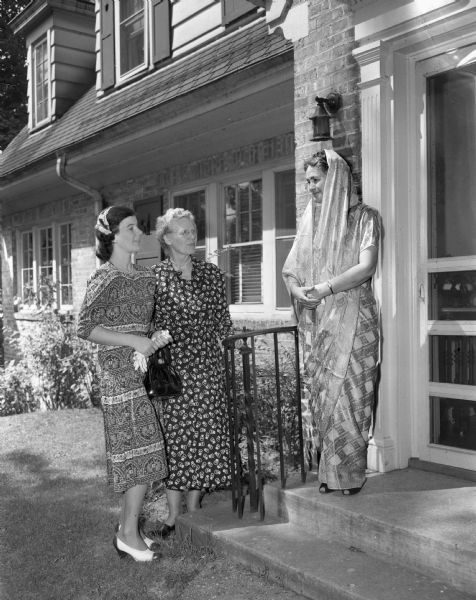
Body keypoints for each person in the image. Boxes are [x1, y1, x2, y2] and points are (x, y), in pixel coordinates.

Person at [282, 149, 380, 496]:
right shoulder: (312, 225)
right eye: (307, 180)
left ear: (336, 178)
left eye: (315, 180)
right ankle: (328, 472)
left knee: (351, 396)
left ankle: (349, 474)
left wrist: (324, 287)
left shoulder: (365, 218)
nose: (310, 187)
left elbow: (366, 266)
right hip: (320, 322)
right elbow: (292, 269)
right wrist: (298, 292)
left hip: (355, 320)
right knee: (325, 397)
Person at [77, 205, 169, 561]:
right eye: (130, 228)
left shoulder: (144, 276)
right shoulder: (104, 277)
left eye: (138, 227)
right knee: (141, 448)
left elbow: (139, 327)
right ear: (111, 236)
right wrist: (134, 341)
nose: (138, 233)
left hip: (141, 371)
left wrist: (152, 337)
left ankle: (128, 531)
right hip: (117, 377)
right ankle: (128, 535)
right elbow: (84, 327)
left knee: (143, 451)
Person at [149, 207, 233, 537]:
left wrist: (231, 344)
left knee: (205, 439)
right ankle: (172, 517)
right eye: (183, 231)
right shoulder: (154, 279)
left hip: (207, 370)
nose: (191, 235)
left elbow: (222, 323)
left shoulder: (211, 275)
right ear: (166, 239)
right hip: (173, 375)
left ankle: (194, 508)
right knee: (176, 443)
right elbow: (146, 326)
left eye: (193, 229)